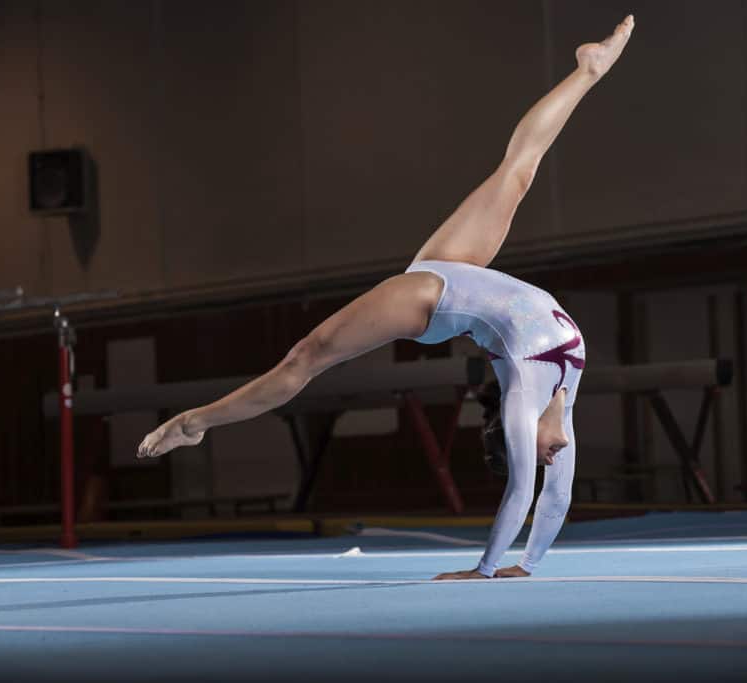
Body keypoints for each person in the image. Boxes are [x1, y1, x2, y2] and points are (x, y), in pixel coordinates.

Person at [137, 16, 634, 580]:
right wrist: (507, 567)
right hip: (453, 276)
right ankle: (588, 70)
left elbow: (535, 492)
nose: (552, 457)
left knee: (307, 355)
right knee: (517, 172)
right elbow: (542, 493)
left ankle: (196, 421)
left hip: (437, 297)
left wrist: (497, 568)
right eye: (547, 455)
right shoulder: (555, 400)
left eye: (542, 454)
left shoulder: (526, 400)